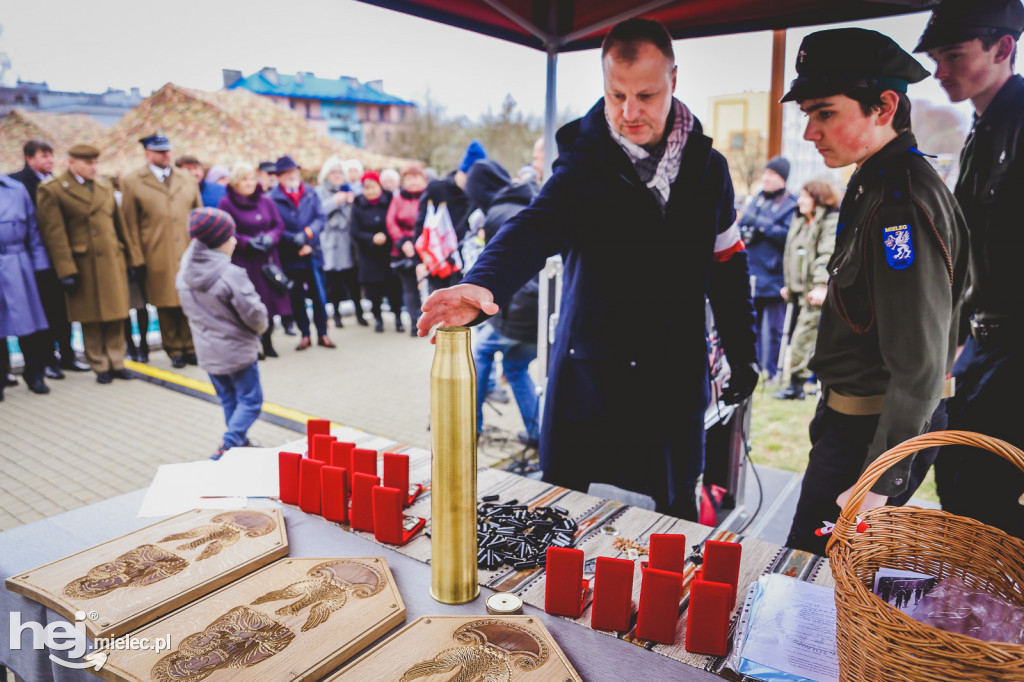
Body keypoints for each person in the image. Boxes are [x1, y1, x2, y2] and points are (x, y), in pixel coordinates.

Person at [417, 18, 758, 519]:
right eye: (615, 94)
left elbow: (728, 266)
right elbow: (535, 226)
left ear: (674, 82)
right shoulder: (584, 161)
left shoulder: (710, 170)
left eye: (646, 94)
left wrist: (743, 353)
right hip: (592, 367)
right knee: (564, 511)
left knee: (675, 508)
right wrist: (481, 282)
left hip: (672, 370)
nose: (629, 111)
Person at [780, 28, 969, 556]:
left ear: (884, 106)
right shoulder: (875, 183)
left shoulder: (899, 203)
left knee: (811, 573)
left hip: (873, 433)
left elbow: (921, 364)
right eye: (808, 116)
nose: (811, 132)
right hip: (854, 421)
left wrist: (881, 479)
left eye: (825, 113)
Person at [916, 0, 1024, 540]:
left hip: (1015, 350)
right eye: (936, 57)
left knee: (989, 493)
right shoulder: (983, 128)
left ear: (1003, 48)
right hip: (982, 341)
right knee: (956, 478)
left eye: (954, 55)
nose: (940, 71)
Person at [36, 144, 146, 384]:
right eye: (88, 163)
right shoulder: (54, 190)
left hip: (112, 260)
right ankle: (99, 364)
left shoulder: (104, 186)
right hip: (84, 265)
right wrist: (66, 269)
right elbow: (54, 234)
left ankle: (117, 361)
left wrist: (131, 260)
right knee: (92, 317)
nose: (93, 167)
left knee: (117, 313)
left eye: (95, 162)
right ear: (72, 162)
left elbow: (120, 228)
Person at [177, 207, 268, 459]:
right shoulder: (230, 275)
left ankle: (239, 443)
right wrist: (260, 329)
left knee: (229, 400)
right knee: (250, 402)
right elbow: (254, 315)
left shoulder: (184, 273)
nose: (235, 241)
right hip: (237, 351)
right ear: (218, 243)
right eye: (230, 236)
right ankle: (228, 444)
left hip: (208, 350)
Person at [464, 159, 543, 446]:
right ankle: (538, 434)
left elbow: (508, 271)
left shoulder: (500, 214)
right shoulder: (525, 202)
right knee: (515, 365)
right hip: (538, 311)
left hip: (522, 310)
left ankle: (471, 426)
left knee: (478, 355)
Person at [121, 132, 202, 369]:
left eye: (168, 150)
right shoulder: (132, 181)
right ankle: (174, 349)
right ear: (147, 154)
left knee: (189, 301)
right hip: (156, 252)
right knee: (165, 304)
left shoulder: (187, 179)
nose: (166, 155)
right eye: (160, 151)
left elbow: (199, 215)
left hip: (187, 251)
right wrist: (136, 259)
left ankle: (191, 348)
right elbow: (130, 225)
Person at [10, 138, 90, 376]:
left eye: (51, 155)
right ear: (29, 158)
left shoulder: (58, 183)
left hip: (60, 255)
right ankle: (47, 360)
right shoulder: (16, 184)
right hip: (32, 259)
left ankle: (67, 355)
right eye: (43, 155)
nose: (49, 160)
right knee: (41, 312)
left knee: (62, 310)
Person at [773, 180, 839, 400]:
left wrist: (821, 285)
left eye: (805, 196)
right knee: (798, 335)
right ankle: (797, 381)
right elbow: (792, 254)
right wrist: (790, 286)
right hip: (799, 291)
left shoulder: (829, 221)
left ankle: (797, 384)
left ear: (817, 198)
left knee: (804, 336)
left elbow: (827, 254)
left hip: (815, 293)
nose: (799, 200)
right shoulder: (801, 221)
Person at [217, 162, 290, 358]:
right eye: (244, 179)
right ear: (235, 182)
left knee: (270, 303)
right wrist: (247, 242)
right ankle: (252, 345)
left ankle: (268, 342)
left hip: (267, 259)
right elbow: (227, 231)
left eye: (251, 178)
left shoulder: (266, 201)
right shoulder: (226, 203)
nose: (249, 183)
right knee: (248, 303)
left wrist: (271, 238)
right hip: (245, 261)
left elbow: (278, 225)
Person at [737, 156, 798, 383]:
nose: (766, 178)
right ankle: (755, 366)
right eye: (765, 174)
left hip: (774, 276)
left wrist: (762, 225)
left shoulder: (790, 204)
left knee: (774, 329)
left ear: (782, 178)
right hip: (752, 271)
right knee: (750, 325)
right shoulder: (756, 200)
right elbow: (743, 226)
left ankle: (772, 371)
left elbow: (789, 236)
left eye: (771, 175)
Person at [270, 155, 333, 350]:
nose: (293, 175)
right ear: (280, 176)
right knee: (296, 298)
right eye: (288, 172)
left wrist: (307, 235)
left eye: (295, 171)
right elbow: (275, 225)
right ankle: (305, 334)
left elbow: (320, 218)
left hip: (312, 252)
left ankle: (323, 333)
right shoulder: (272, 198)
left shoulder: (310, 193)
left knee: (319, 296)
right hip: (290, 255)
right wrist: (293, 240)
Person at [0, 175, 53, 398]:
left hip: (18, 263)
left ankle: (35, 375)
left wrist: (40, 266)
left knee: (29, 323)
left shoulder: (16, 188)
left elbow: (33, 229)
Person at [414, 140, 485, 292]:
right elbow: (421, 225)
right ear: (462, 172)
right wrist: (419, 260)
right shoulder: (437, 189)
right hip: (438, 261)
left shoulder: (479, 194)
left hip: (466, 262)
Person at [315, 157, 367, 328]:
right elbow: (318, 211)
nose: (337, 175)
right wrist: (335, 201)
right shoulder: (320, 191)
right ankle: (336, 314)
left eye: (340, 172)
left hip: (349, 242)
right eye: (333, 172)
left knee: (353, 280)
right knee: (334, 282)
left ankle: (359, 313)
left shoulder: (350, 190)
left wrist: (351, 202)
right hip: (331, 243)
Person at [352, 171, 402, 332]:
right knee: (373, 290)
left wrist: (386, 236)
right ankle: (378, 318)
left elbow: (396, 221)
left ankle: (398, 318)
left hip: (389, 252)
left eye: (373, 187)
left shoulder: (390, 200)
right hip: (368, 253)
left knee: (394, 287)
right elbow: (354, 231)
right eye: (367, 188)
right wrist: (371, 238)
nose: (370, 191)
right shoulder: (358, 204)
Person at [385, 164, 427, 336]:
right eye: (409, 178)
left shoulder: (429, 197)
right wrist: (402, 242)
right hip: (404, 249)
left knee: (428, 286)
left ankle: (429, 319)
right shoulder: (398, 199)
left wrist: (421, 243)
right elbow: (391, 222)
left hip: (426, 246)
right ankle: (413, 321)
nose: (413, 181)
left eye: (416, 177)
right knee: (409, 287)